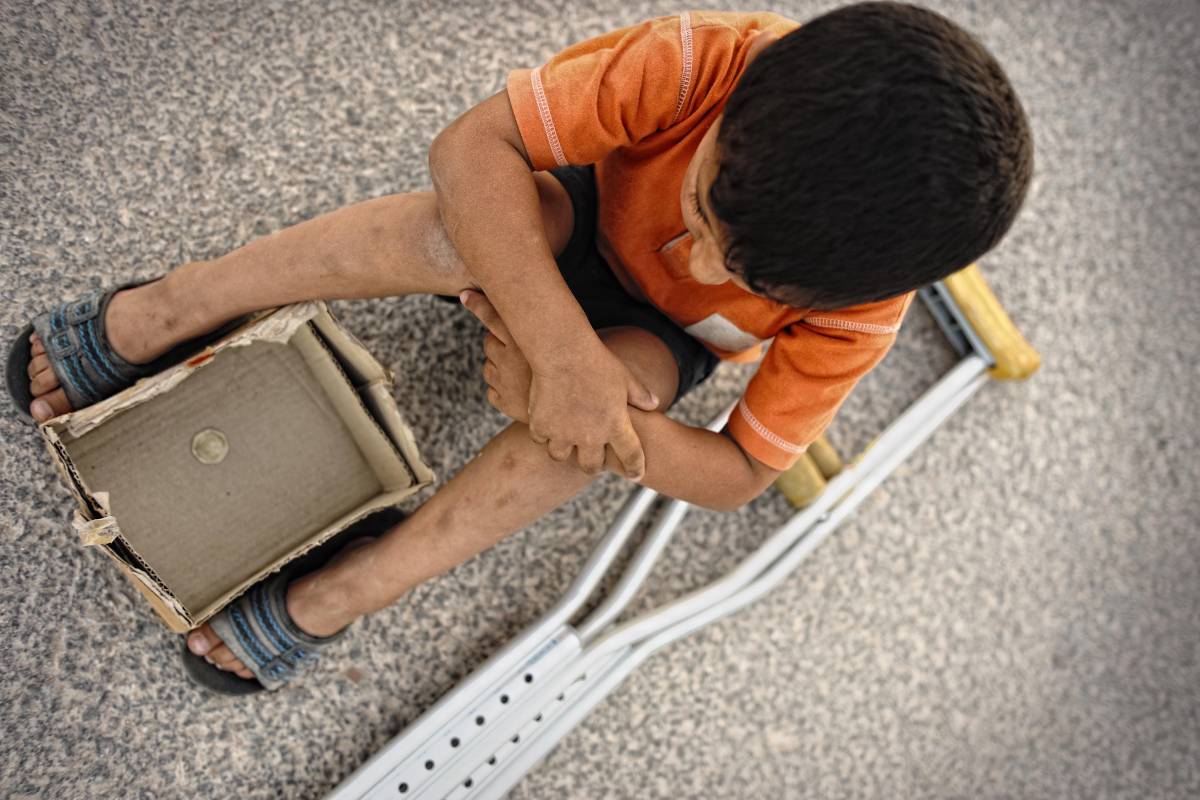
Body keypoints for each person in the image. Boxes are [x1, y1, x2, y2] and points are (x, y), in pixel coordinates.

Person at [8, 3, 1032, 692]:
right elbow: (471, 148)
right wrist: (559, 359)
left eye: (752, 280)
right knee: (469, 226)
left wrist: (594, 408)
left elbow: (737, 474)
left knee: (616, 412)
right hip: (566, 215)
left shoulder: (864, 309)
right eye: (704, 209)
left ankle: (366, 580)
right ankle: (177, 304)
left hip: (653, 341)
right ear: (749, 95)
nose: (703, 260)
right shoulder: (704, 59)